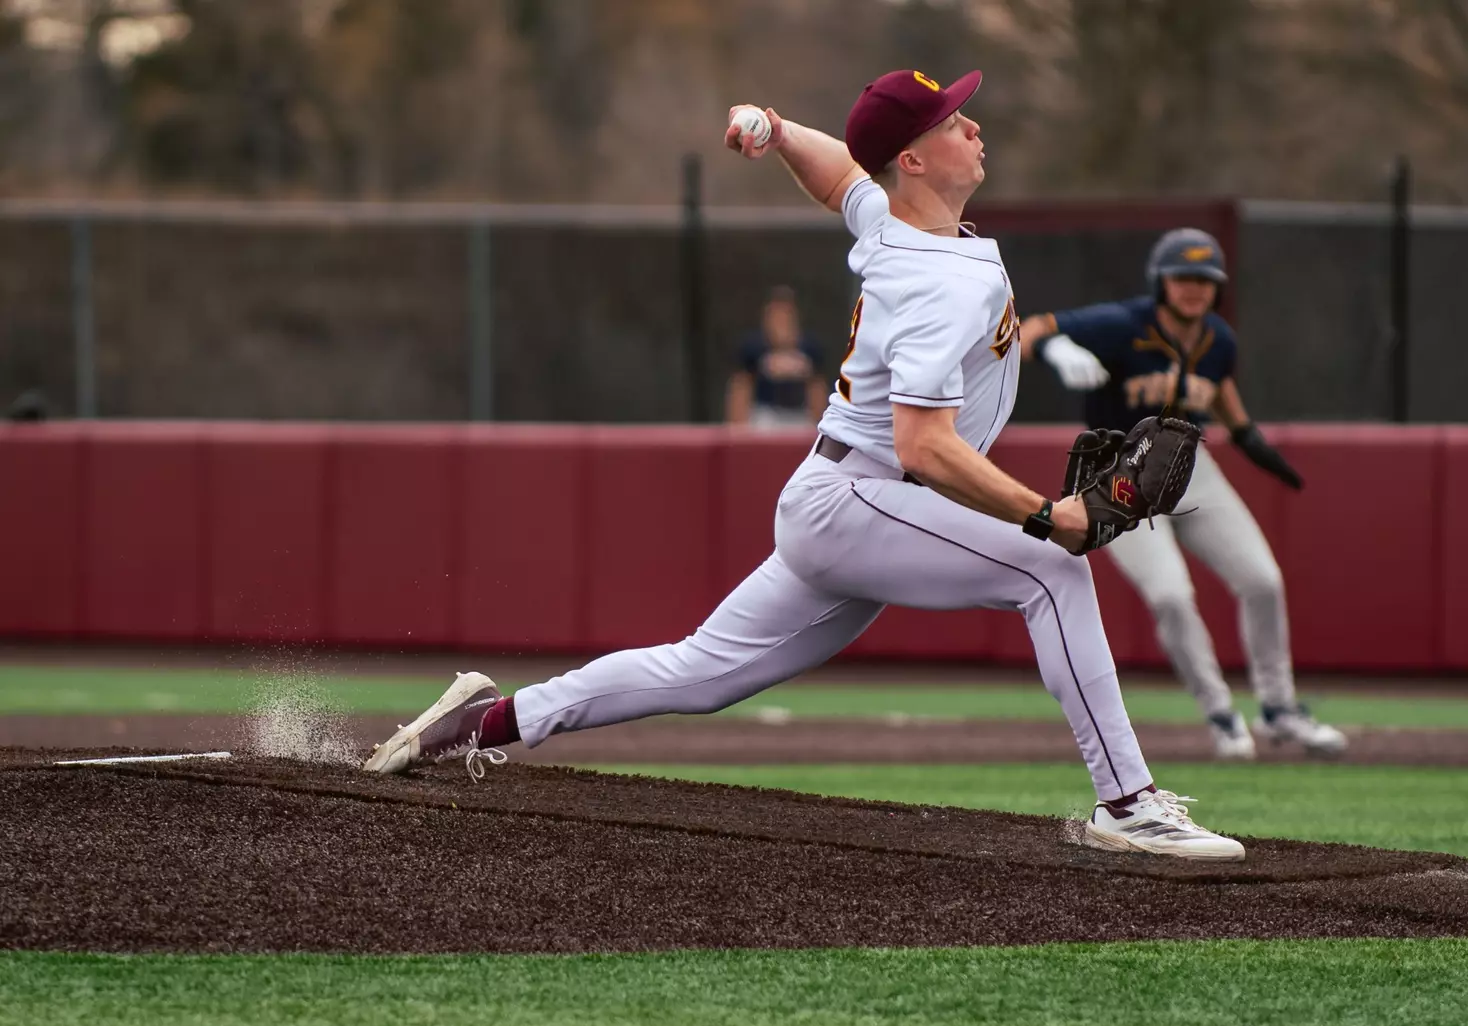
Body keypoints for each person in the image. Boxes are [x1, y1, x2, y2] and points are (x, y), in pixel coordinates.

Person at [362, 71, 1246, 861]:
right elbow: (923, 447)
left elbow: (841, 177)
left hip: (844, 500)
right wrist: (1046, 514)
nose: (972, 127)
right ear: (915, 158)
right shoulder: (939, 280)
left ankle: (479, 723)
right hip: (865, 497)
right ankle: (1127, 802)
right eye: (953, 121)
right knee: (1052, 569)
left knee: (699, 674)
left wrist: (780, 131)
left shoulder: (901, 225)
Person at [1019, 229, 1347, 761]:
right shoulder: (1122, 324)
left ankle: (1279, 709)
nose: (1194, 289)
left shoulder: (1218, 339)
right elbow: (1034, 326)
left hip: (1189, 467)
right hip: (1116, 474)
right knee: (1171, 596)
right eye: (1184, 278)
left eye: (1206, 280)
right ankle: (1221, 714)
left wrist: (1260, 450)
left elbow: (1227, 407)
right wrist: (1055, 347)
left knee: (1263, 580)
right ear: (1161, 281)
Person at [727, 285, 829, 429]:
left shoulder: (809, 348)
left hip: (800, 415)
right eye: (776, 315)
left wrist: (820, 424)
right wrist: (737, 429)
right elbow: (740, 387)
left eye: (786, 315)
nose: (781, 320)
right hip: (764, 415)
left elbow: (817, 388)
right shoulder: (753, 348)